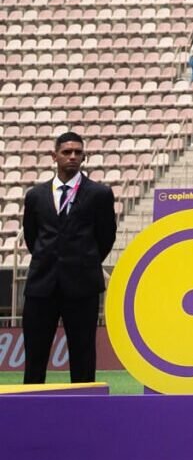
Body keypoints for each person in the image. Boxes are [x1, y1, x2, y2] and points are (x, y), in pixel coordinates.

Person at [19, 131, 115, 384]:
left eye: (78, 152)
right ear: (54, 156)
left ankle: (84, 413)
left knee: (83, 356)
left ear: (84, 156)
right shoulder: (35, 196)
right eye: (67, 152)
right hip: (42, 285)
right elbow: (32, 237)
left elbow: (106, 238)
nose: (73, 157)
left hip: (82, 286)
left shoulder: (100, 194)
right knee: (35, 356)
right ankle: (31, 411)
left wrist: (83, 260)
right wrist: (49, 259)